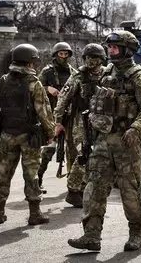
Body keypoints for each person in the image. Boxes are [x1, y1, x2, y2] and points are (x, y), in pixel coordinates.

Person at [68, 30, 141, 251]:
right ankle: (91, 236)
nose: (111, 51)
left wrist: (136, 128)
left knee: (130, 190)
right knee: (94, 186)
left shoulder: (138, 77)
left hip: (127, 143)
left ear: (127, 50)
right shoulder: (106, 74)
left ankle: (136, 232)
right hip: (102, 141)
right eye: (110, 47)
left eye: (115, 47)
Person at [0, 43, 55, 225]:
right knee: (31, 174)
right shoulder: (34, 83)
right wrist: (50, 132)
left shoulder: (3, 80)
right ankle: (35, 214)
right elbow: (43, 111)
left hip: (7, 134)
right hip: (29, 136)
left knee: (3, 173)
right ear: (30, 63)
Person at [54, 43, 108, 208]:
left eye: (95, 58)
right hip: (81, 121)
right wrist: (58, 121)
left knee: (97, 157)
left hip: (102, 121)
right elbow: (63, 98)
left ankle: (84, 189)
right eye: (88, 58)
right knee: (82, 155)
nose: (91, 61)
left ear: (101, 59)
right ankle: (72, 190)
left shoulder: (108, 74)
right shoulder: (78, 76)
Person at [37, 42, 77, 192]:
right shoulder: (47, 72)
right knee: (48, 150)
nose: (64, 56)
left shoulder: (73, 72)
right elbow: (35, 88)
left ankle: (73, 183)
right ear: (55, 54)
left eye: (66, 54)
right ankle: (38, 180)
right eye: (61, 54)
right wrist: (48, 89)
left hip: (69, 116)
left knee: (72, 151)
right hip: (52, 117)